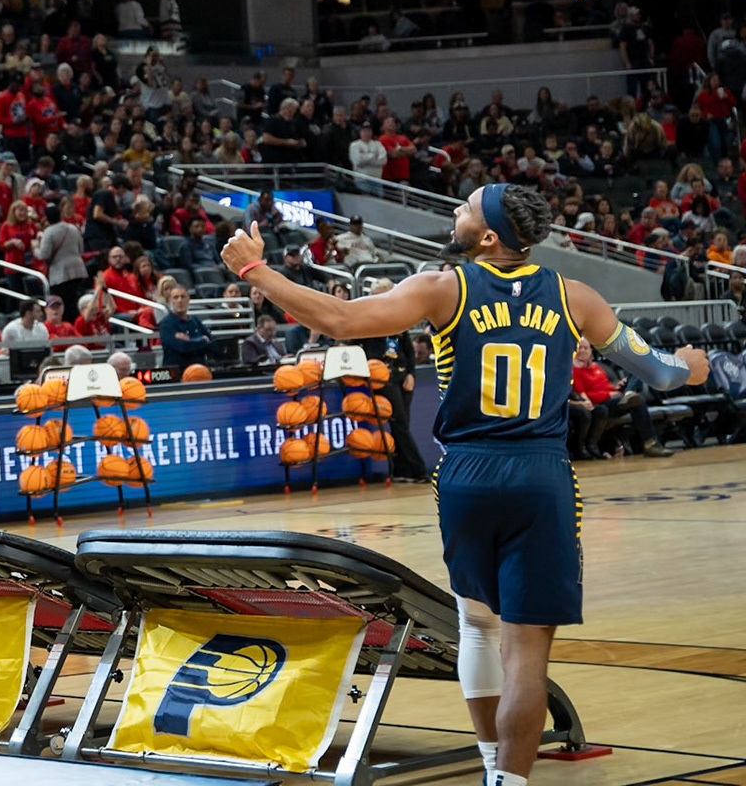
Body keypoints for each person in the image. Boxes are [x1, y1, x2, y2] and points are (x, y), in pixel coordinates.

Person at [221, 183, 707, 786]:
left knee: (478, 626)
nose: (454, 209)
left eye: (466, 206)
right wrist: (696, 365)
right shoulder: (574, 297)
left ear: (488, 235)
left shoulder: (441, 289)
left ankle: (487, 764)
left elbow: (339, 320)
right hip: (540, 472)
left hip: (467, 472)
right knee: (527, 650)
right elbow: (659, 372)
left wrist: (256, 271)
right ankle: (509, 780)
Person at [157, 284, 215, 375]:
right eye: (176, 297)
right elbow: (181, 347)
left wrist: (190, 341)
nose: (180, 300)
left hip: (200, 373)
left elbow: (211, 345)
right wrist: (201, 340)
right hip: (177, 374)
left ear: (188, 300)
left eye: (183, 297)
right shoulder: (166, 324)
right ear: (169, 301)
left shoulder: (195, 321)